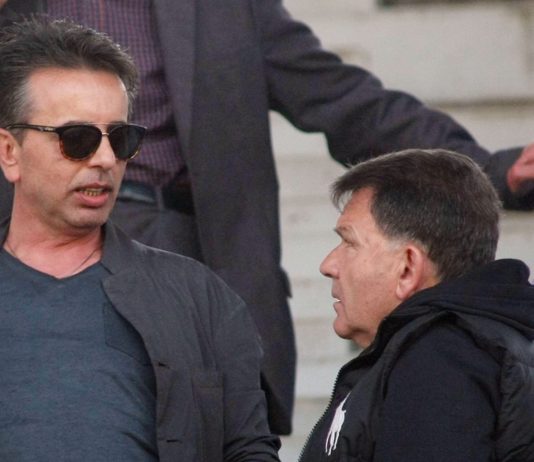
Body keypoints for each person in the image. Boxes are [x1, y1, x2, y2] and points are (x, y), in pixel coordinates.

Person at [2, 1, 534, 436]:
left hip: (201, 247)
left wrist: (492, 170)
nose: (101, 155)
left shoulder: (225, 9)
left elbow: (341, 95)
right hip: (44, 259)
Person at [0, 17, 280, 462]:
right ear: (9, 152)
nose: (105, 159)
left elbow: (248, 447)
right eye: (77, 139)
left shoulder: (198, 296)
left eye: (121, 138)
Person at [299, 149, 534, 461]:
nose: (328, 264)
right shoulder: (480, 344)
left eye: (350, 242)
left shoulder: (438, 359)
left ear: (408, 268)